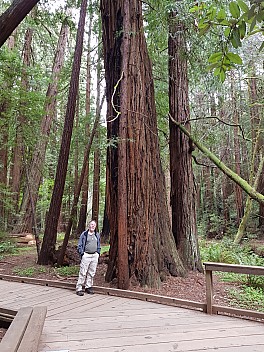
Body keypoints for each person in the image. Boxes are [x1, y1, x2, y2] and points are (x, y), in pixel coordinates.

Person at [75, 220, 101, 296]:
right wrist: (82, 253)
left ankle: (88, 287)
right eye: (91, 224)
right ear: (88, 225)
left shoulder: (97, 234)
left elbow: (98, 244)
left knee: (91, 272)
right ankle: (79, 288)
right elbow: (80, 245)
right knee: (83, 272)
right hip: (86, 255)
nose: (92, 226)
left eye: (94, 225)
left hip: (94, 255)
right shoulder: (84, 234)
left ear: (95, 226)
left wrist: (98, 253)